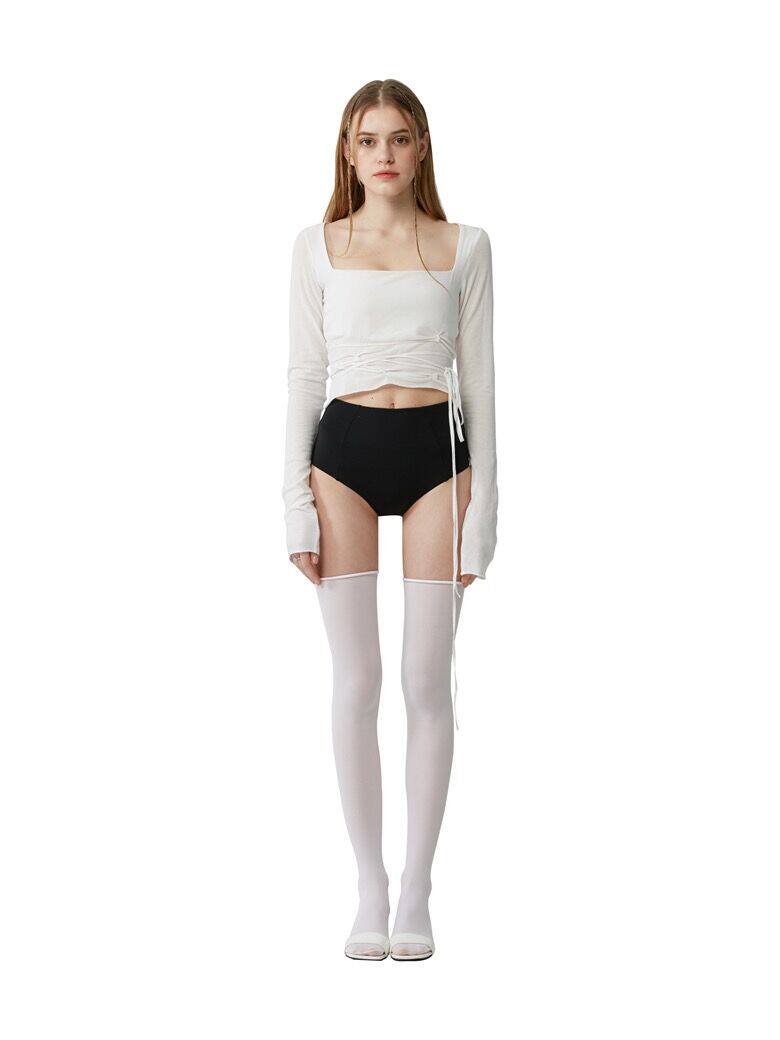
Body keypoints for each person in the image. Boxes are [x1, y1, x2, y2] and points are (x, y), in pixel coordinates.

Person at [282, 79, 498, 961]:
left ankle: (416, 889)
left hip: (437, 461)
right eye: (368, 139)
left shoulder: (464, 245)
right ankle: (369, 885)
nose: (384, 154)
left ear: (421, 147)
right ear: (347, 150)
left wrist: (487, 514)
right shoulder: (317, 246)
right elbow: (303, 375)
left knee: (425, 679)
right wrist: (292, 505)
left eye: (399, 138)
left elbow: (481, 382)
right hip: (342, 459)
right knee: (357, 680)